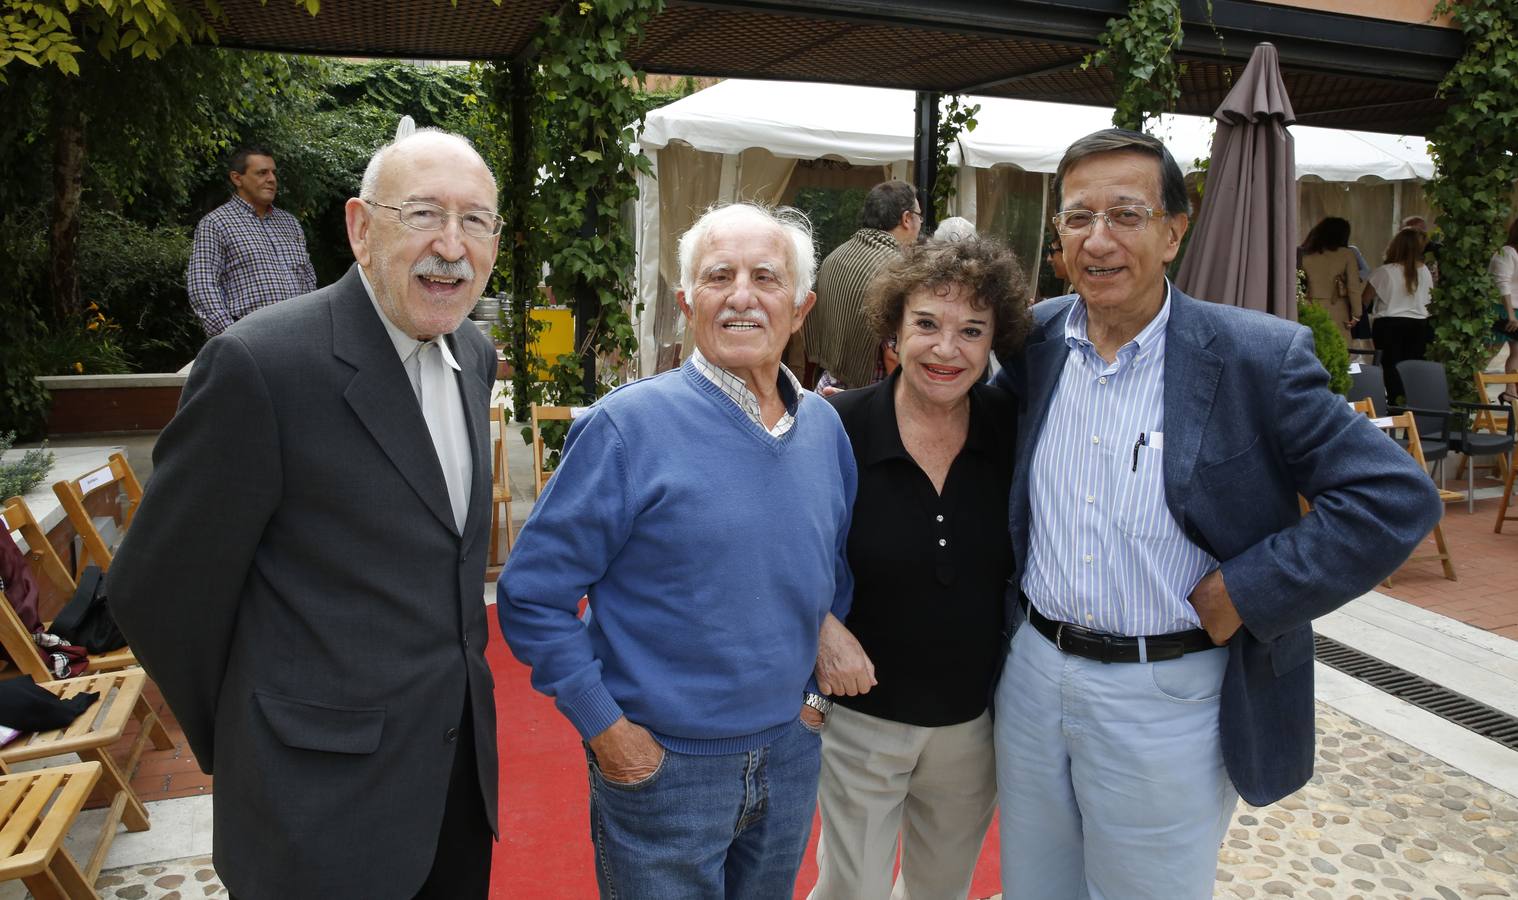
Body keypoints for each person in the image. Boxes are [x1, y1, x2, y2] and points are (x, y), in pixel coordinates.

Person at [991, 128, 1444, 900]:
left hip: (1165, 695)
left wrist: (1249, 589)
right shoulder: (1035, 341)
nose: (1097, 239)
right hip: (1031, 678)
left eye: (1125, 215)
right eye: (1077, 218)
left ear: (1173, 231)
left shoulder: (1254, 357)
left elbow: (1393, 497)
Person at [109, 130, 504, 900]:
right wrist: (260, 740)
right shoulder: (260, 365)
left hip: (456, 789)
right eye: (423, 213)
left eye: (477, 221)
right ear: (361, 227)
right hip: (315, 817)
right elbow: (157, 591)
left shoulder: (474, 356)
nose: (451, 246)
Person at [499, 203, 856, 899]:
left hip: (789, 757)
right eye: (719, 276)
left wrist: (812, 705)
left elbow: (830, 574)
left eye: (766, 277)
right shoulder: (626, 429)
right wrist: (609, 733)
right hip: (665, 769)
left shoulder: (824, 431)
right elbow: (531, 595)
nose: (743, 296)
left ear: (802, 305)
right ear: (687, 301)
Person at [809, 238, 1029, 899]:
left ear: (995, 342)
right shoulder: (835, 427)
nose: (946, 349)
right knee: (852, 892)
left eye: (971, 331)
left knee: (941, 892)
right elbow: (773, 548)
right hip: (861, 723)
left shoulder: (1013, 428)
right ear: (894, 331)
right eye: (927, 324)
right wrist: (819, 625)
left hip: (972, 726)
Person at [187, 146, 318, 336]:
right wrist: (229, 337)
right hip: (251, 340)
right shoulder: (216, 224)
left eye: (273, 173)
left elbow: (307, 280)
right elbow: (202, 285)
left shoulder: (290, 223)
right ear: (237, 178)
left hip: (300, 337)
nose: (272, 179)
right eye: (262, 173)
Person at [805, 180, 922, 390]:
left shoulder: (836, 256)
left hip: (826, 385)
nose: (920, 225)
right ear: (906, 219)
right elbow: (892, 356)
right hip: (868, 395)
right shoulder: (897, 270)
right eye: (919, 217)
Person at [1365, 227, 1433, 401]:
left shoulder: (1385, 271)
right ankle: (1414, 404)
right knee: (1413, 368)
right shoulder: (1424, 271)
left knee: (1390, 368)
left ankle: (1396, 406)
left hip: (1389, 325)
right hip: (1419, 324)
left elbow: (1364, 300)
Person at [1300, 216, 1364, 344]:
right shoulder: (1346, 254)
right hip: (1337, 307)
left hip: (1309, 305)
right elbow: (1353, 287)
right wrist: (1357, 314)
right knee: (1337, 347)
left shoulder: (1305, 254)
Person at [1488, 217, 1518, 398]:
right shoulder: (1507, 252)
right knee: (1490, 350)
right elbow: (1502, 284)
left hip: (1516, 309)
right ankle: (1470, 385)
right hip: (1502, 309)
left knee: (1517, 351)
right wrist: (1510, 315)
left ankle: (1510, 390)